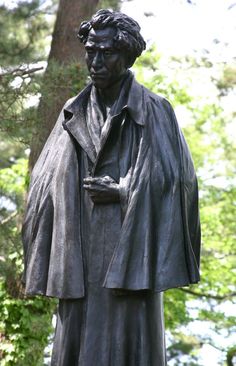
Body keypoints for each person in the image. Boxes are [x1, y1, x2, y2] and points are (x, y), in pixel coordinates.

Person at [22, 9, 201, 366]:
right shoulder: (72, 112)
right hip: (79, 262)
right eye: (91, 51)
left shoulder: (154, 111)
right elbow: (42, 186)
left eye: (107, 52)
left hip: (130, 260)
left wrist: (123, 191)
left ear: (128, 55)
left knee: (128, 347)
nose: (96, 61)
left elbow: (178, 184)